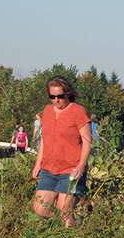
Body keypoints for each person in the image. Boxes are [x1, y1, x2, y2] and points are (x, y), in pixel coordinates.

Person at [31, 76, 92, 227]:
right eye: (52, 97)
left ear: (67, 94)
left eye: (60, 96)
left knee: (64, 210)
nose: (56, 100)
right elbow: (45, 139)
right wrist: (38, 163)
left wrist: (81, 166)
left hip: (70, 169)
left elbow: (87, 141)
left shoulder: (78, 111)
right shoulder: (47, 111)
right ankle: (69, 223)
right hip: (49, 169)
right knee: (39, 209)